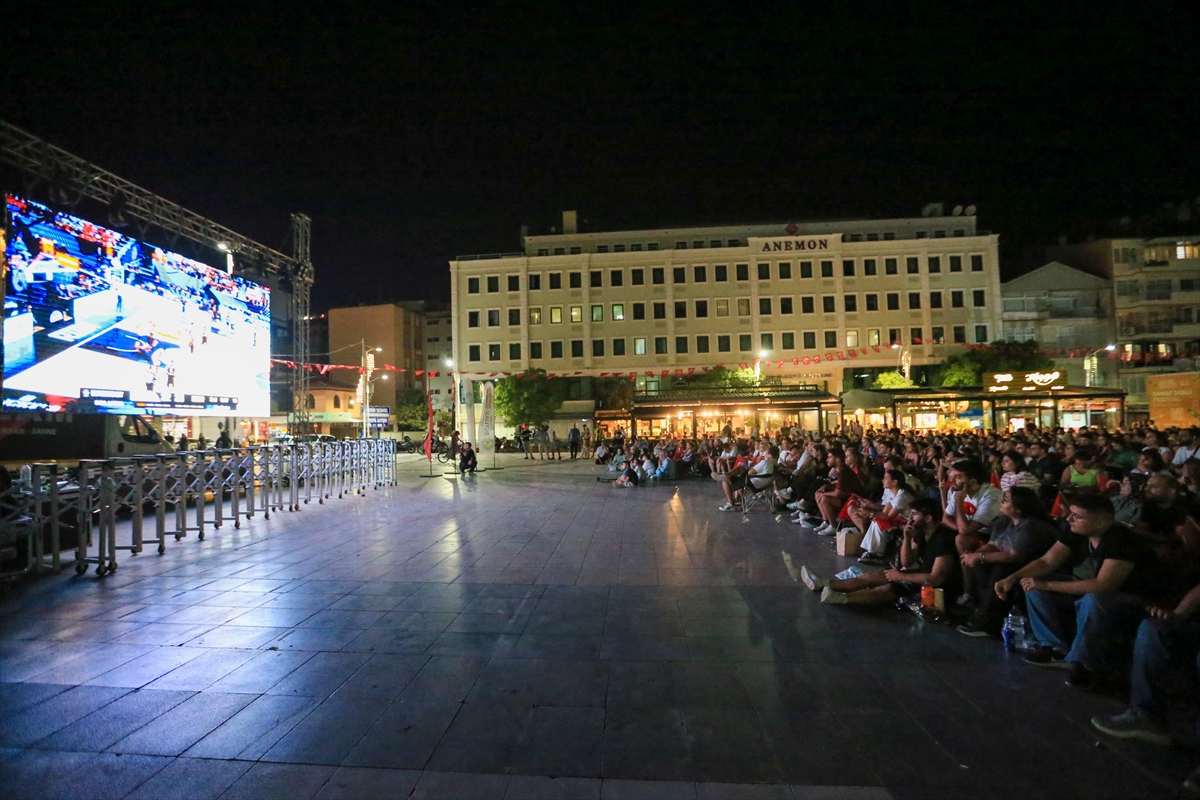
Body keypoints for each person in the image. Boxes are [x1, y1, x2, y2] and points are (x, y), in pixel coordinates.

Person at [994, 492, 1153, 688]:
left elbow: (1104, 585)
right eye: (1070, 514)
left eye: (1077, 516)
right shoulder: (1077, 532)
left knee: (1093, 599)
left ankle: (1084, 663)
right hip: (1089, 588)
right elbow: (1047, 561)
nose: (1069, 519)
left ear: (1101, 522)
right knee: (1033, 584)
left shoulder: (1120, 540)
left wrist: (1047, 585)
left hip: (1131, 598)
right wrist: (1013, 577)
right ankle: (1054, 647)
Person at [798, 497, 960, 606]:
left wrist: (901, 576)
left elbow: (936, 578)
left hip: (935, 588)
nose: (910, 519)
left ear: (929, 517)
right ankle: (826, 584)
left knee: (885, 590)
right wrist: (906, 537)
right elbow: (907, 562)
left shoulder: (943, 538)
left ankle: (842, 598)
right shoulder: (921, 532)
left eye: (915, 515)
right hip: (919, 576)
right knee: (872, 576)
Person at [955, 486, 1058, 636]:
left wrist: (979, 557)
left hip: (1031, 566)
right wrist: (975, 556)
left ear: (1019, 508)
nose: (1000, 501)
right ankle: (983, 609)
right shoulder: (1004, 521)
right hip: (1009, 562)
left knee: (1001, 569)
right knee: (980, 564)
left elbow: (1014, 556)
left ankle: (987, 623)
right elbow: (993, 545)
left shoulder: (1030, 526)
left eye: (1006, 500)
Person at [941, 459, 1004, 556]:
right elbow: (946, 518)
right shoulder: (959, 491)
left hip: (993, 536)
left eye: (957, 477)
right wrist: (960, 529)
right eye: (952, 476)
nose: (951, 480)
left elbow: (965, 531)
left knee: (961, 539)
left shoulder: (991, 496)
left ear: (973, 481)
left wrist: (959, 503)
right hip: (971, 531)